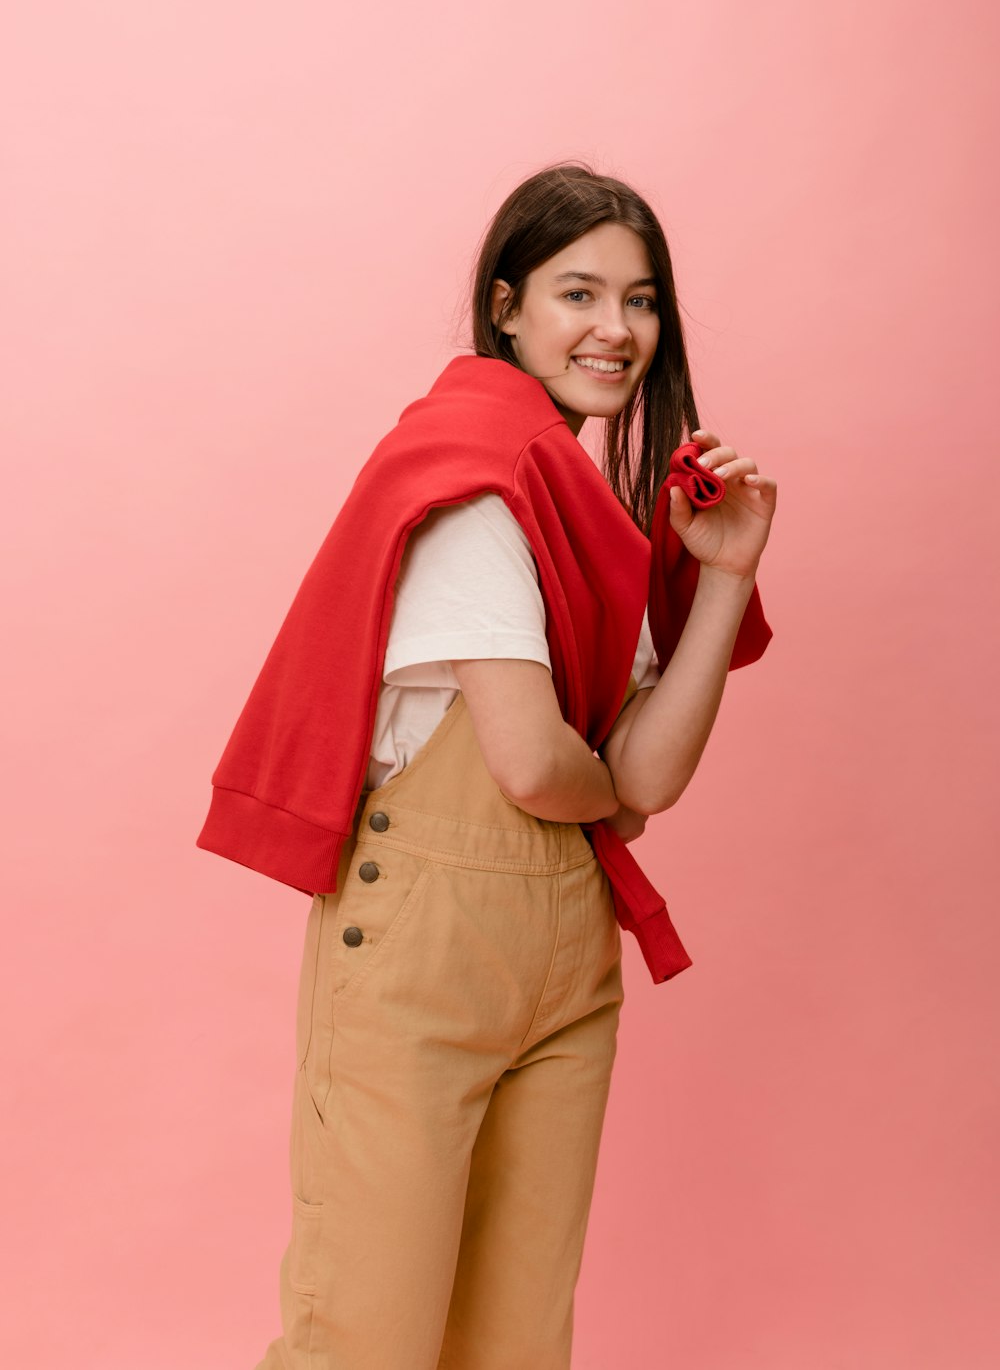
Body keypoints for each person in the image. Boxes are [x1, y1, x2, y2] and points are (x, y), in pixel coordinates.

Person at [197, 162, 776, 1369]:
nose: (616, 328)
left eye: (642, 298)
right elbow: (533, 762)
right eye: (578, 292)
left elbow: (651, 775)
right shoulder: (473, 486)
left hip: (566, 961)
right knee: (366, 1330)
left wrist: (722, 572)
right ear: (505, 306)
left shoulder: (590, 517)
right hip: (428, 945)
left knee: (514, 1342)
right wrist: (607, 788)